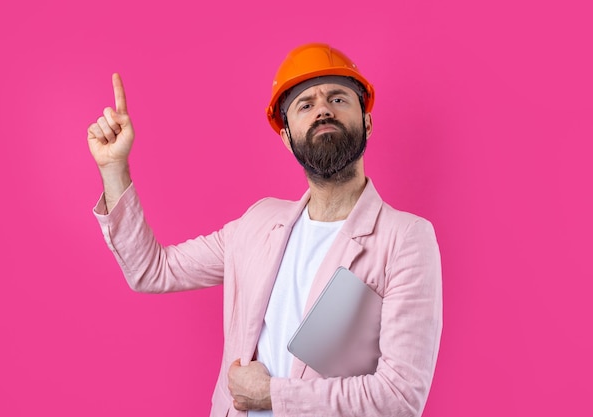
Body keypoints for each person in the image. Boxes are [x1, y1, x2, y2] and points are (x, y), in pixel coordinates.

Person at [87, 43, 442, 417]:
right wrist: (114, 170)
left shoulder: (405, 239)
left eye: (338, 98)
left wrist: (273, 395)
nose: (323, 108)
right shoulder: (257, 224)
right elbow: (151, 271)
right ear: (288, 137)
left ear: (367, 122)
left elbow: (401, 399)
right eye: (305, 105)